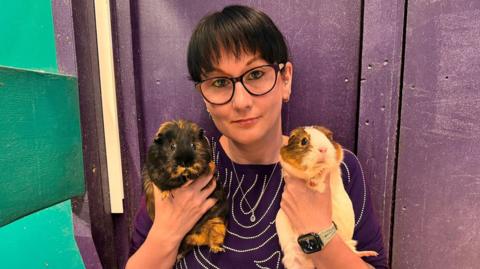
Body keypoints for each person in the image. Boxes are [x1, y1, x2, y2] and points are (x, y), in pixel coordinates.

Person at [126, 5, 387, 269]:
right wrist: (168, 232)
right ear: (204, 96)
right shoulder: (182, 166)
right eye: (219, 82)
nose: (241, 102)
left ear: (285, 79)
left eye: (256, 75)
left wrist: (319, 233)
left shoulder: (333, 165)